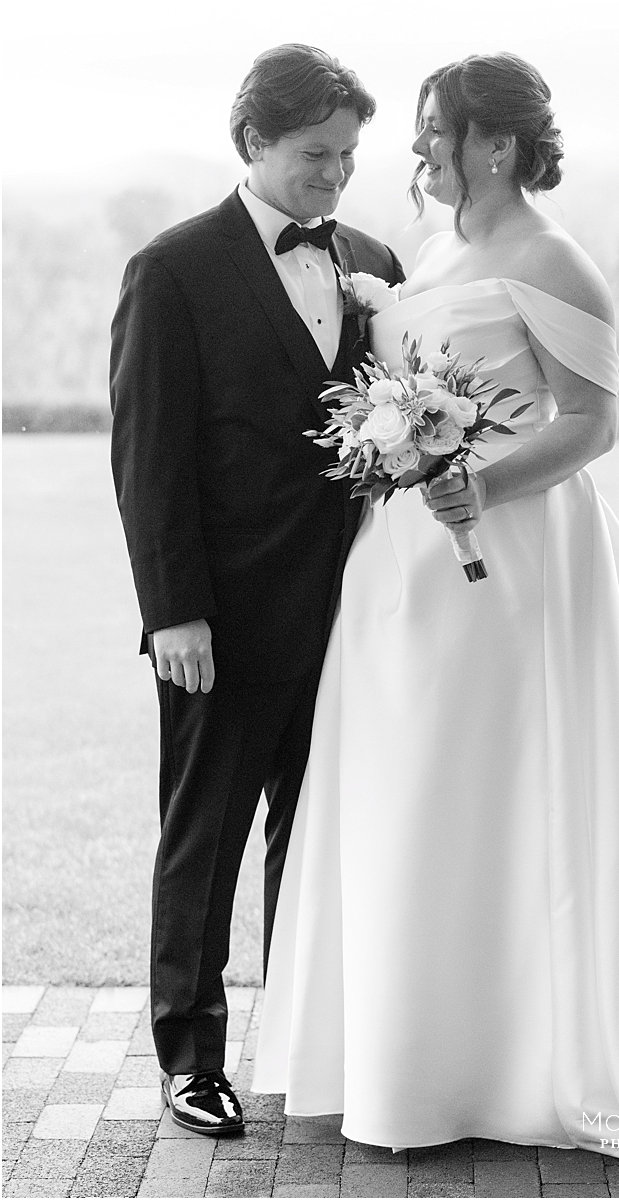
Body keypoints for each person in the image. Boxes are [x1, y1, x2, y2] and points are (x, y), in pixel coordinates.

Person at [251, 52, 619, 1197]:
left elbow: (592, 423)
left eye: (435, 129)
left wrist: (481, 485)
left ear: (496, 144)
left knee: (498, 785)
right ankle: (413, 1053)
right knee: (414, 789)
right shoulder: (431, 251)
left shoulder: (555, 260)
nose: (417, 149)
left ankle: (516, 1058)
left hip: (514, 562)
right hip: (401, 564)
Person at [109, 43, 404, 1135]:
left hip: (356, 617)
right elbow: (149, 456)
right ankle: (190, 1058)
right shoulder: (173, 270)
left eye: (349, 154)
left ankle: (299, 1037)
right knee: (206, 839)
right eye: (316, 153)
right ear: (253, 142)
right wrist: (172, 611)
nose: (337, 173)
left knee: (315, 836)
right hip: (221, 621)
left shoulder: (373, 261)